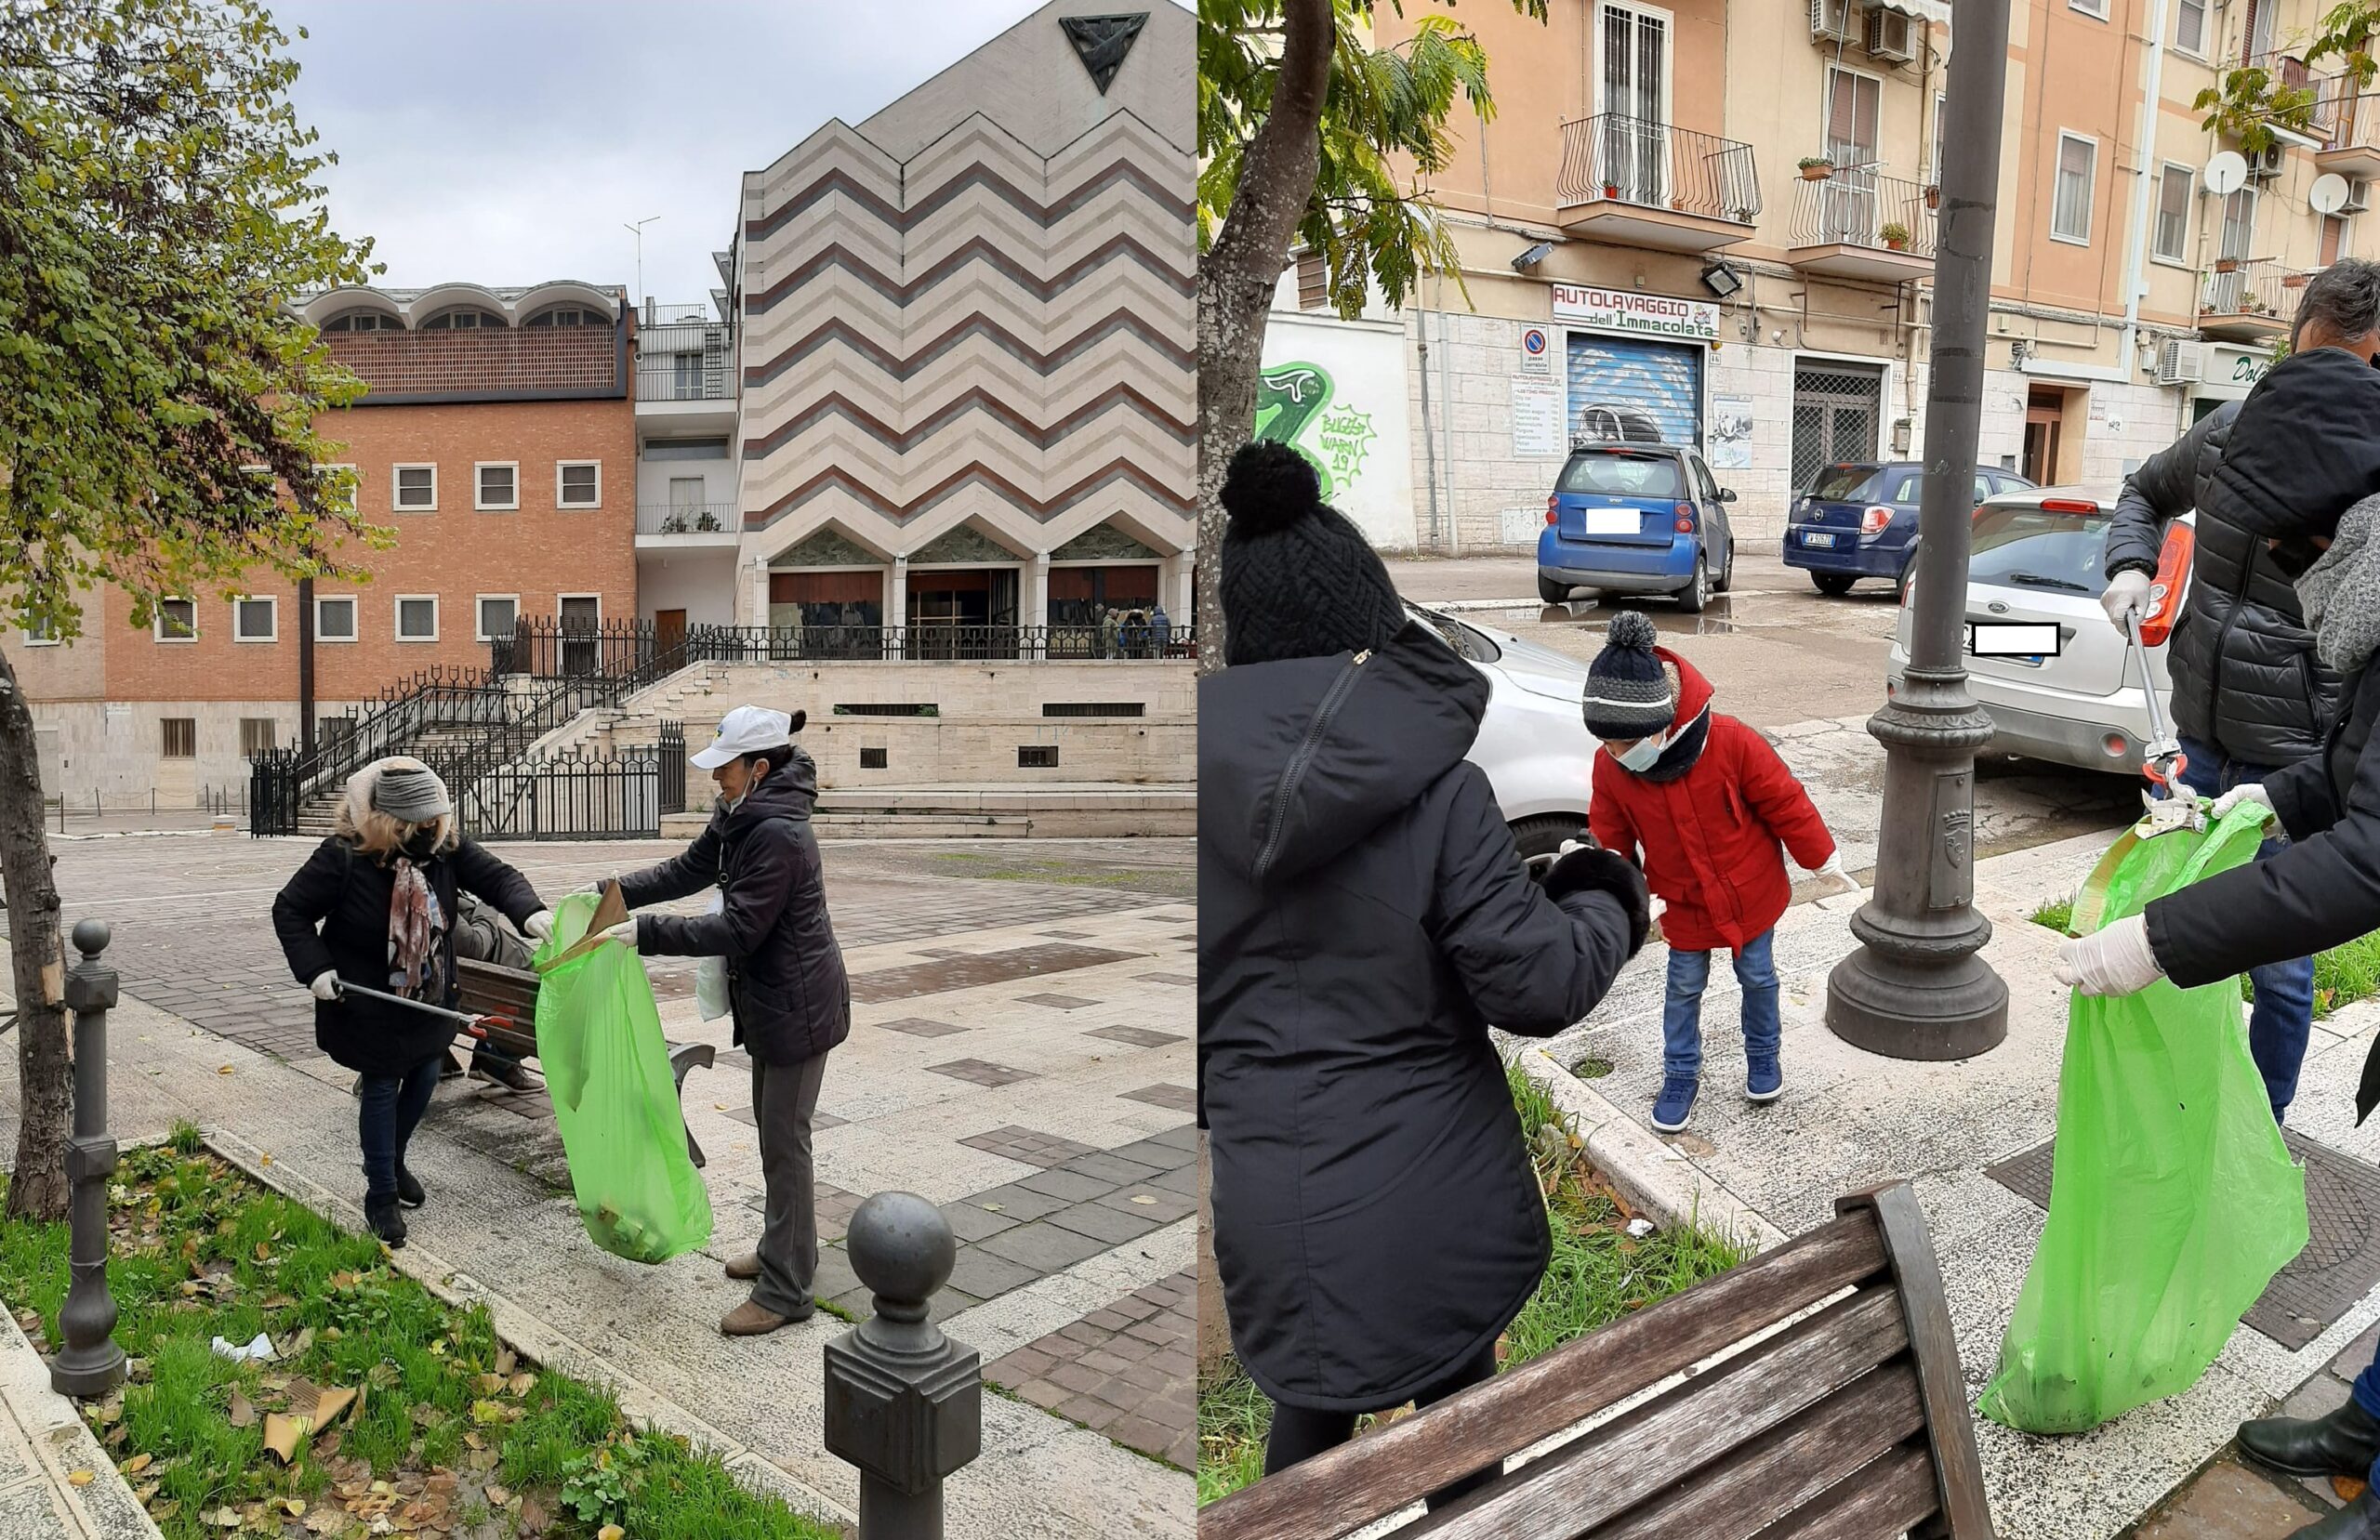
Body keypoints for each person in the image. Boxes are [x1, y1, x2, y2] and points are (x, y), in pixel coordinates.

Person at [1199, 441, 1651, 1507]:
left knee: (1305, 1433)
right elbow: (1537, 985)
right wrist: (1602, 890)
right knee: (1461, 1447)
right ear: (1368, 628)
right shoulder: (1437, 795)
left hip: (1270, 1198)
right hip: (1434, 1202)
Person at [2056, 332, 2380, 1540]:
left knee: (2278, 981)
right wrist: (2263, 803)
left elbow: (2371, 855)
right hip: (2236, 746)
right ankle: (2372, 1418)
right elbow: (2354, 779)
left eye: (2292, 548)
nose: (2284, 572)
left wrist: (2161, 940)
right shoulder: (2362, 555)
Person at [2094, 259, 2380, 1122]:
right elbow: (2143, 489)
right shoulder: (2226, 432)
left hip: (2299, 743)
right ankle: (2177, 1107)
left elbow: (2363, 862)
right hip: (2202, 736)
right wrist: (2130, 562)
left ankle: (2258, 1127)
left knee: (2279, 962)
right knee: (2175, 920)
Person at [596, 704, 849, 1337]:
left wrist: (644, 932)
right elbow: (687, 868)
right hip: (773, 1002)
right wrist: (617, 891)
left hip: (798, 1006)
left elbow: (739, 928)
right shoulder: (742, 816)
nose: (716, 780)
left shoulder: (779, 833)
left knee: (784, 1141)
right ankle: (785, 1251)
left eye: (725, 770)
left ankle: (788, 1288)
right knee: (776, 1135)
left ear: (759, 768)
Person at [1584, 612, 1853, 1133]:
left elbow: (1785, 803)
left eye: (1620, 742)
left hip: (1750, 892)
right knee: (1683, 986)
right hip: (1683, 902)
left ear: (1656, 725)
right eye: (1605, 743)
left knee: (1758, 975)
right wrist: (1621, 896)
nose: (1612, 753)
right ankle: (1680, 1074)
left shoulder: (1730, 742)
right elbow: (1611, 837)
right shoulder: (1612, 767)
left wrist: (1821, 859)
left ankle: (1763, 1055)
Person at [271, 757, 551, 1248]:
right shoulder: (343, 856)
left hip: (428, 997)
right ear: (389, 823)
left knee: (423, 1075)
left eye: (435, 822)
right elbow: (290, 910)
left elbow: (499, 878)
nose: (430, 832)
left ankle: (391, 1159)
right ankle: (380, 1191)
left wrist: (529, 912)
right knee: (382, 1086)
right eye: (418, 825)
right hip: (367, 1002)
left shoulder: (443, 850)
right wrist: (315, 969)